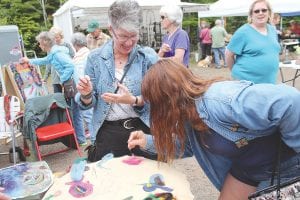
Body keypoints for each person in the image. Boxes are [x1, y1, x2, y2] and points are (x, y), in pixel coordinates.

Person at [128, 58, 300, 200]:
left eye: (155, 104)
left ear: (166, 100)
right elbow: (187, 147)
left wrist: (295, 146)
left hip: (283, 168)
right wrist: (147, 141)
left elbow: (290, 101)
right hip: (246, 170)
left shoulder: (220, 99)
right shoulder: (189, 112)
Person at [76, 0, 158, 161]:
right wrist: (86, 94)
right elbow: (89, 102)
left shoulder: (147, 58)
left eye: (133, 36)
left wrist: (134, 100)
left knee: (146, 180)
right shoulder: (95, 58)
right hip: (108, 132)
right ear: (111, 30)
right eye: (123, 36)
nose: (128, 43)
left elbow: (159, 98)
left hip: (143, 130)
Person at [20, 31, 86, 146]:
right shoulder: (54, 52)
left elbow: (70, 65)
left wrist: (62, 79)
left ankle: (81, 140)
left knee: (75, 112)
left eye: (40, 43)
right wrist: (29, 61)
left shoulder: (56, 53)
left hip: (72, 84)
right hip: (71, 84)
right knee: (74, 112)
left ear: (45, 43)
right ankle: (79, 139)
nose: (39, 46)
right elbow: (44, 60)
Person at [225, 0, 281, 84]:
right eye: (256, 11)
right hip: (247, 84)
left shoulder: (272, 29)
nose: (260, 13)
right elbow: (228, 55)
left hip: (269, 82)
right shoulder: (243, 32)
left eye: (264, 10)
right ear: (251, 14)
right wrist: (236, 75)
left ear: (269, 13)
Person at [71, 32, 93, 139]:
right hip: (90, 88)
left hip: (85, 90)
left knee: (88, 115)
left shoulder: (79, 57)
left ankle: (95, 140)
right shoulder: (89, 52)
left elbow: (80, 76)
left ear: (75, 44)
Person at [43, 26, 75, 93]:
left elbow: (73, 58)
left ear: (61, 36)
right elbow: (48, 63)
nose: (55, 39)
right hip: (56, 78)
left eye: (57, 37)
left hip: (66, 76)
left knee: (69, 97)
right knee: (58, 98)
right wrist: (45, 77)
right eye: (53, 38)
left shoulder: (66, 45)